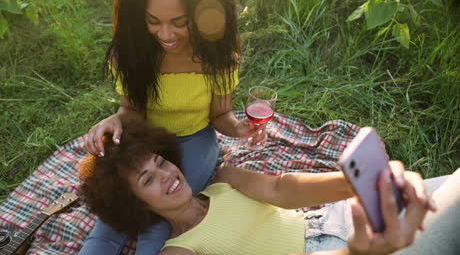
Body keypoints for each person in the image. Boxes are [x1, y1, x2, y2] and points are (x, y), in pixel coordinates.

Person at [79, 122, 460, 255]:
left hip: (334, 214)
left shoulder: (222, 180)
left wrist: (351, 184)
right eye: (148, 179)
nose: (166, 174)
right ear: (134, 205)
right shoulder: (178, 250)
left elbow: (282, 190)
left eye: (160, 161)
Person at [81, 0, 266, 254]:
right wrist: (116, 119)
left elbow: (220, 115)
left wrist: (239, 129)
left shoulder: (218, 56)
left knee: (162, 213)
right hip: (146, 142)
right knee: (111, 221)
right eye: (153, 21)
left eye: (179, 22)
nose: (165, 34)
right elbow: (131, 110)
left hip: (195, 139)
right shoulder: (130, 52)